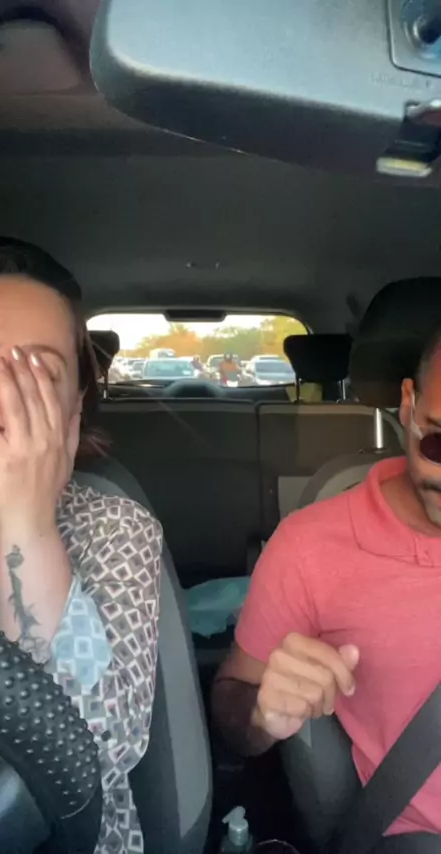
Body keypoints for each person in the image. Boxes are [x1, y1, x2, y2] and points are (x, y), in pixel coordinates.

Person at [0, 237, 163, 854]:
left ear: (74, 412)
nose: (3, 392)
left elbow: (93, 749)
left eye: (40, 372)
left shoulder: (114, 528)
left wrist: (27, 519)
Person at [212, 331, 441, 840]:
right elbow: (233, 711)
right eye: (440, 443)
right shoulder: (310, 548)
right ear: (408, 405)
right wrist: (264, 713)